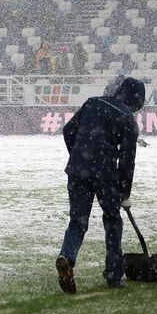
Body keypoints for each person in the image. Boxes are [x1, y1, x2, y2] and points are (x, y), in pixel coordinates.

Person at [55, 76, 145, 293]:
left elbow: (68, 131)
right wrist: (125, 192)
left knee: (77, 221)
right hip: (105, 175)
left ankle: (67, 256)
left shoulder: (92, 102)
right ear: (136, 101)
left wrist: (79, 157)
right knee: (113, 222)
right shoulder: (128, 120)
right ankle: (113, 275)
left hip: (77, 170)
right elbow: (127, 161)